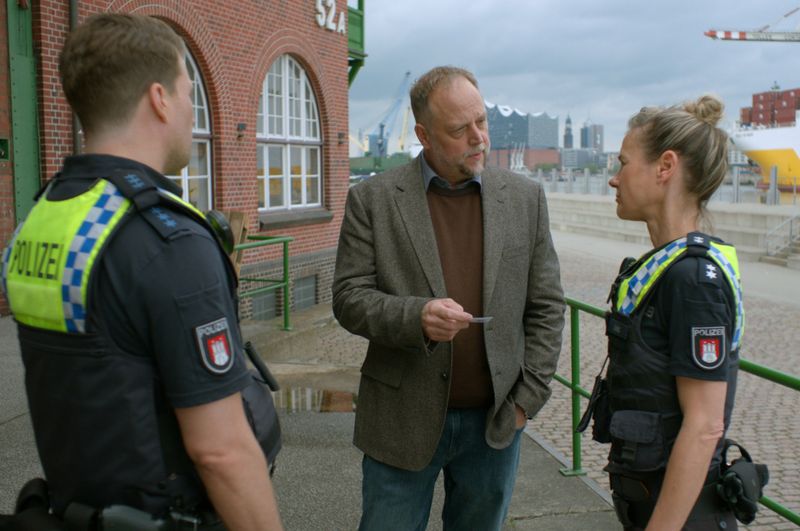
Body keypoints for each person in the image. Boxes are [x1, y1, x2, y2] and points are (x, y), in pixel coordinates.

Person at [1, 14, 282, 530]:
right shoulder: (168, 241)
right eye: (187, 89)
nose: (191, 109)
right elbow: (221, 451)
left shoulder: (42, 220)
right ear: (159, 98)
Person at [332, 66, 565, 530]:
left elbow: (546, 307)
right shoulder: (373, 199)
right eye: (460, 129)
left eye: (481, 120)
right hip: (400, 419)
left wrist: (525, 401)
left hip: (494, 425)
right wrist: (414, 316)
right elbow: (348, 297)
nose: (478, 137)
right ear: (423, 134)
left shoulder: (525, 199)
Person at [603, 95, 743, 530]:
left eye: (623, 163)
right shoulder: (666, 267)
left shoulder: (693, 280)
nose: (613, 180)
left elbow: (704, 426)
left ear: (665, 167)